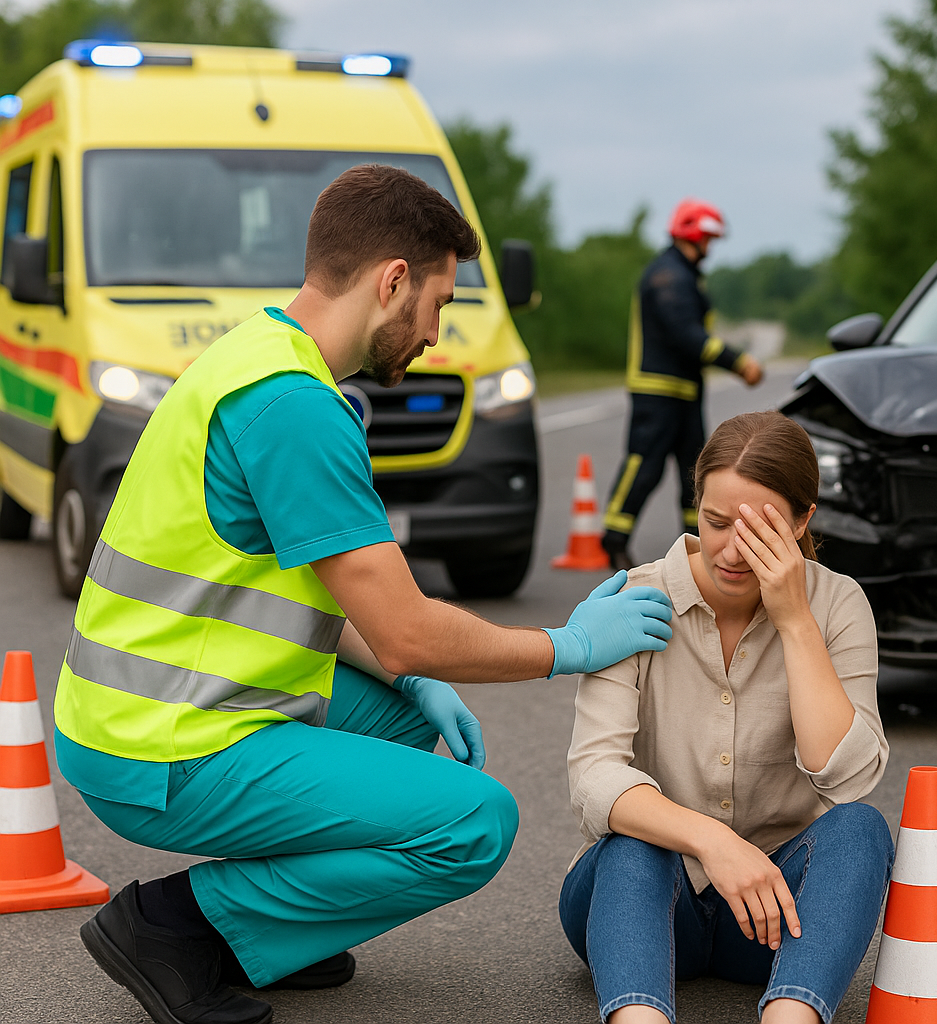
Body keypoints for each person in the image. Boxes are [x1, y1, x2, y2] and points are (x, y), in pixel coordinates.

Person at [53, 164, 675, 1024]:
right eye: (439, 305)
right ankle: (182, 928)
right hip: (161, 746)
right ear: (392, 282)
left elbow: (331, 605)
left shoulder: (255, 355)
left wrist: (412, 678)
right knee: (475, 824)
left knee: (408, 710)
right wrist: (569, 647)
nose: (436, 333)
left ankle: (286, 922)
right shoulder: (293, 406)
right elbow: (407, 632)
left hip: (147, 705)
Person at [561, 411, 895, 1024]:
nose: (733, 550)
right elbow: (593, 778)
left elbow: (846, 779)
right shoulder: (635, 598)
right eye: (716, 523)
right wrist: (711, 841)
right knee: (635, 838)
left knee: (862, 830)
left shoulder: (838, 604)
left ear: (802, 520)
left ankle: (790, 1016)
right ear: (695, 507)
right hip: (645, 902)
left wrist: (795, 620)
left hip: (770, 917)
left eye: (761, 530)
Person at [601, 199, 764, 571]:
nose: (711, 248)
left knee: (696, 472)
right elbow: (688, 335)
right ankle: (613, 540)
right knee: (644, 466)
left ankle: (695, 546)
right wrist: (738, 361)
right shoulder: (668, 276)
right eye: (708, 239)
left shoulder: (683, 274)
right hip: (657, 392)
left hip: (684, 392)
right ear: (696, 236)